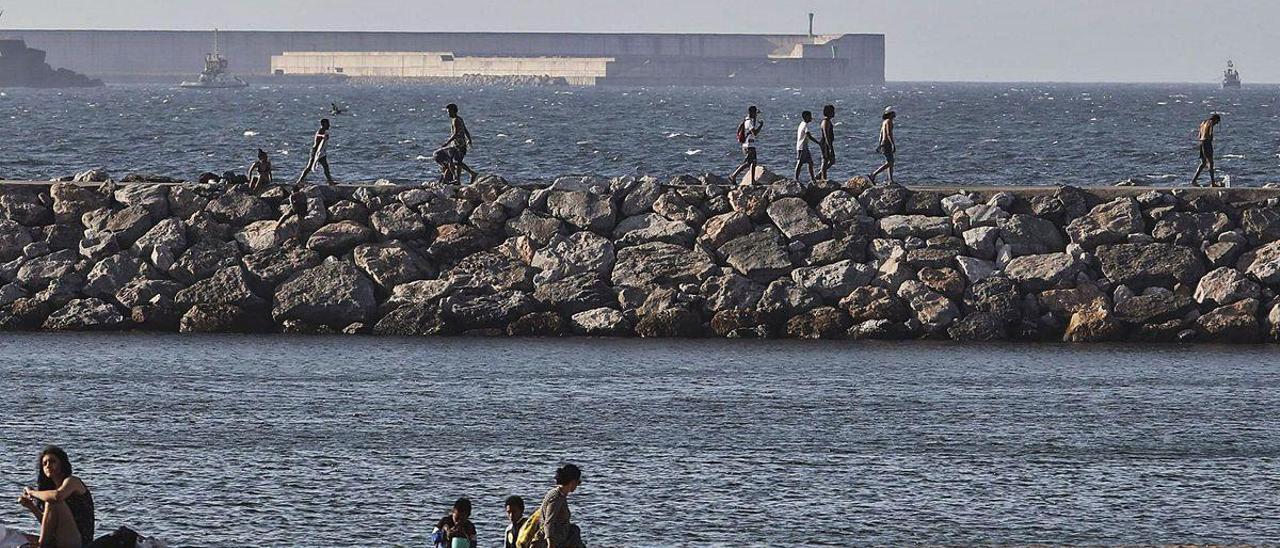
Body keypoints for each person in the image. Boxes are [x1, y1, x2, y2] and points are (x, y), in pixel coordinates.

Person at [15, 446, 94, 548]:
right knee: (20, 537)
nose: (48, 466)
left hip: (79, 542)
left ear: (62, 464)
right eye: (44, 464)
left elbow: (57, 496)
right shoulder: (52, 490)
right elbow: (49, 525)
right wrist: (31, 507)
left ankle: (41, 546)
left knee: (52, 500)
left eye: (52, 461)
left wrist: (32, 492)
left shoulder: (72, 481)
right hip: (62, 537)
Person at [533, 464, 586, 548]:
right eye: (578, 483)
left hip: (559, 538)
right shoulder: (556, 498)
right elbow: (548, 522)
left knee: (574, 529)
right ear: (572, 482)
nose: (577, 486)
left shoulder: (560, 495)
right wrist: (550, 544)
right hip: (551, 541)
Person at [434, 103, 477, 184]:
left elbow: (456, 133)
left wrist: (447, 143)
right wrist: (469, 139)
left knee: (456, 162)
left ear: (454, 111)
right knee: (458, 162)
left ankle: (469, 174)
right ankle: (459, 179)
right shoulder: (460, 119)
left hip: (458, 145)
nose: (448, 113)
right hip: (460, 144)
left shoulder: (456, 120)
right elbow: (465, 130)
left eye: (449, 111)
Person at [730, 106, 764, 185]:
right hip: (748, 146)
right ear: (752, 113)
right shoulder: (749, 122)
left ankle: (752, 181)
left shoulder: (748, 120)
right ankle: (733, 175)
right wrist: (761, 126)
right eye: (755, 113)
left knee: (753, 163)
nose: (756, 114)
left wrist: (756, 118)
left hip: (750, 145)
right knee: (748, 163)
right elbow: (754, 133)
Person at [295, 118, 335, 186]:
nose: (329, 125)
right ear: (323, 124)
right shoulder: (320, 131)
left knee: (326, 167)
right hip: (315, 152)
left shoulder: (325, 131)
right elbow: (318, 135)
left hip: (321, 152)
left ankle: (330, 182)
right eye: (328, 124)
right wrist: (323, 136)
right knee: (309, 167)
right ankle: (299, 180)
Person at [1191, 113, 1221, 187]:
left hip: (1201, 143)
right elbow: (1210, 133)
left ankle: (1194, 180)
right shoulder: (1210, 123)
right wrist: (1211, 138)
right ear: (1215, 119)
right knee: (1210, 163)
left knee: (1203, 163)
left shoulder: (1203, 122)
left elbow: (1199, 135)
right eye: (1217, 122)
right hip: (1207, 143)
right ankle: (1213, 183)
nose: (1216, 124)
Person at [871, 108, 896, 184]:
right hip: (887, 143)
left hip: (884, 143)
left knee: (889, 161)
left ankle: (890, 179)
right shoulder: (888, 121)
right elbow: (888, 134)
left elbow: (881, 134)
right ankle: (874, 174)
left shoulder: (884, 122)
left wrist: (880, 144)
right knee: (890, 162)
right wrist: (892, 144)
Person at [794, 110, 821, 183]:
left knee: (810, 163)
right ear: (806, 117)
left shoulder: (802, 124)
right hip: (802, 147)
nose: (811, 118)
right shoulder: (805, 125)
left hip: (805, 147)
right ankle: (796, 179)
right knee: (800, 163)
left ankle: (813, 179)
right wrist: (818, 143)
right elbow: (809, 136)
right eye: (810, 116)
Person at [819, 104, 836, 181]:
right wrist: (829, 147)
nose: (834, 113)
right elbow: (826, 135)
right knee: (825, 160)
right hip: (826, 144)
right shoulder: (825, 122)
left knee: (832, 161)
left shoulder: (828, 121)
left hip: (829, 143)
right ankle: (823, 178)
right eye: (832, 112)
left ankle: (820, 174)